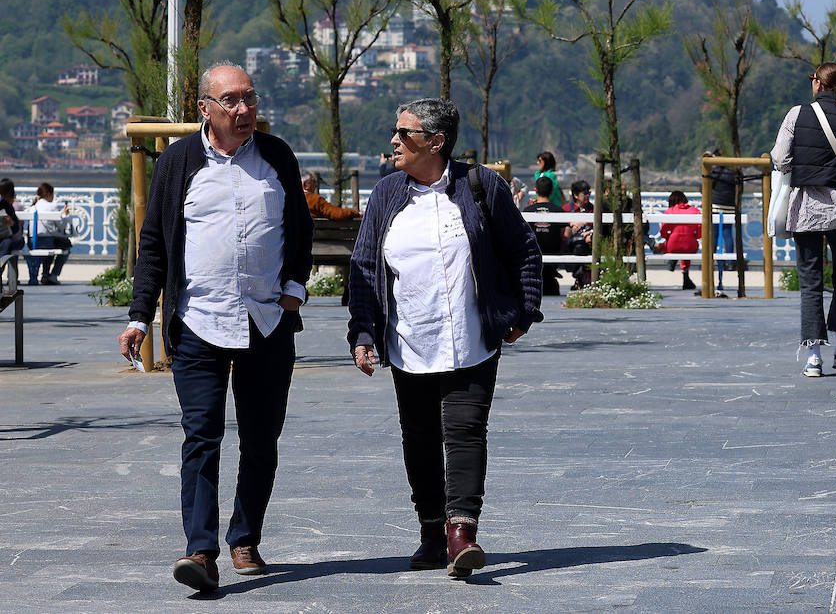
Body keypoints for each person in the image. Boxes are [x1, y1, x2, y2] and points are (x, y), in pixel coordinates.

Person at [116, 64, 313, 592]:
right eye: (231, 100)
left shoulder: (277, 157)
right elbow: (153, 242)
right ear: (205, 108)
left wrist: (295, 289)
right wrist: (140, 315)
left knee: (261, 437)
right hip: (200, 322)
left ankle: (245, 537)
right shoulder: (178, 161)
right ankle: (200, 552)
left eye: (250, 97)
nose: (243, 109)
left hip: (267, 320)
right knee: (201, 435)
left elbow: (299, 230)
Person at [347, 97, 543, 578]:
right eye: (395, 132)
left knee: (465, 433)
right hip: (410, 339)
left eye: (405, 133)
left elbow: (524, 251)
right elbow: (366, 266)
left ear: (436, 142)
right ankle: (431, 529)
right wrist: (363, 330)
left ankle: (462, 533)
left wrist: (523, 311)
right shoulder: (387, 194)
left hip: (472, 338)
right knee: (418, 439)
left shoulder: (482, 187)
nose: (394, 140)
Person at [769, 62, 836, 377]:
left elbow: (780, 157)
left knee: (811, 281)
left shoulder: (796, 114)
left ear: (817, 84)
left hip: (806, 208)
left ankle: (813, 357)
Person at [25, 182, 74, 285]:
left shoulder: (33, 207)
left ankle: (45, 275)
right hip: (46, 242)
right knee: (65, 245)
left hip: (31, 242)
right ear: (48, 194)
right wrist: (64, 215)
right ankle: (52, 275)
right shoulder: (52, 206)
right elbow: (61, 226)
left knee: (53, 243)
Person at [526, 175, 565, 296]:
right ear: (552, 191)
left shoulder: (527, 211)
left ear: (536, 190)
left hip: (532, 259)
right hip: (553, 259)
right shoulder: (559, 211)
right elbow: (564, 235)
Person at [659, 190, 702, 292]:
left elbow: (663, 232)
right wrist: (693, 236)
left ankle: (673, 260)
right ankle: (685, 273)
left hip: (672, 246)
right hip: (690, 246)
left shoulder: (669, 211)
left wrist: (669, 236)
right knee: (687, 244)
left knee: (673, 243)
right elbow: (700, 232)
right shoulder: (695, 211)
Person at [707, 150, 742, 266]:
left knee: (714, 233)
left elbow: (704, 186)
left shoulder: (715, 171)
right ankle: (730, 262)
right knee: (727, 234)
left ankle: (710, 260)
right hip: (731, 206)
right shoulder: (734, 171)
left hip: (716, 205)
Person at [564, 180, 594, 289]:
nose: (588, 196)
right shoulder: (567, 209)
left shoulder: (593, 209)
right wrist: (571, 223)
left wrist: (586, 225)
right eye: (585, 193)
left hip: (588, 242)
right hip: (571, 244)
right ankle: (580, 278)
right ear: (576, 195)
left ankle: (580, 279)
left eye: (589, 193)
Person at [0, 178, 26, 257]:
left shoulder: (7, 206)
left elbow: (15, 228)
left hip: (4, 238)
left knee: (7, 243)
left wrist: (11, 223)